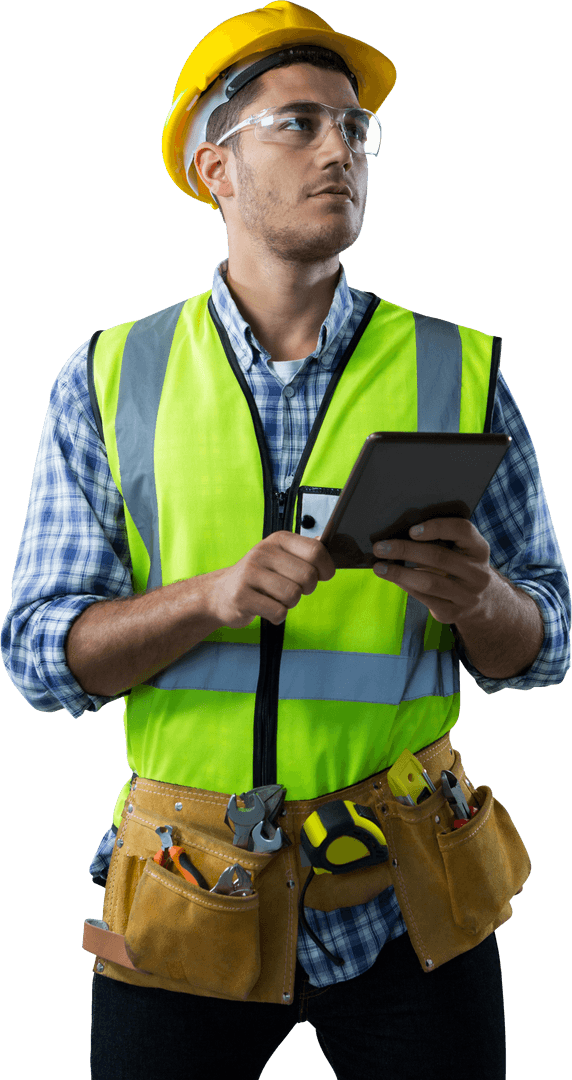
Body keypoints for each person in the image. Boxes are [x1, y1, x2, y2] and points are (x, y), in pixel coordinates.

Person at [2, 4, 570, 1078]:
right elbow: (39, 657)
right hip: (180, 899)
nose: (338, 151)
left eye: (355, 130)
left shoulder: (459, 368)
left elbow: (545, 642)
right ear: (214, 168)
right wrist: (205, 599)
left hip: (409, 903)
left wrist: (478, 600)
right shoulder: (108, 376)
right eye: (299, 125)